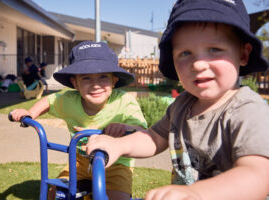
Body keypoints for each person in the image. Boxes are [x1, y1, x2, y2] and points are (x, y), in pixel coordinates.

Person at [86, 1, 269, 199]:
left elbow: (258, 174)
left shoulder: (248, 110)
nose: (198, 64)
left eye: (214, 49)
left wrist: (196, 193)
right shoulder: (182, 105)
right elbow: (154, 137)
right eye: (185, 53)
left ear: (242, 54)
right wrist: (119, 146)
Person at [10, 41, 147, 200]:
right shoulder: (69, 100)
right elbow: (50, 101)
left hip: (116, 164)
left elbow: (142, 131)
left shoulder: (124, 102)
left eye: (103, 77)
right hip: (79, 164)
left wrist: (124, 127)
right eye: (86, 78)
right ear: (75, 83)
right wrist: (30, 113)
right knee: (55, 195)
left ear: (114, 80)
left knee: (115, 197)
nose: (96, 85)